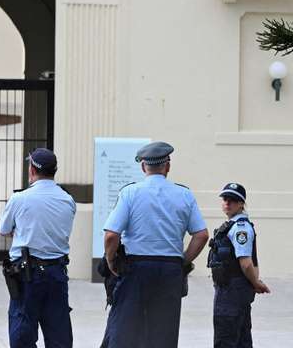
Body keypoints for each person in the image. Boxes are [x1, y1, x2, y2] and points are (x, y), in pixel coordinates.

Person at [102, 141, 209, 348]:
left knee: (125, 332)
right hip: (170, 270)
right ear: (167, 166)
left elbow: (111, 236)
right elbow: (201, 235)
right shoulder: (184, 194)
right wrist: (182, 261)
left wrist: (111, 261)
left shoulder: (130, 193)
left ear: (143, 167)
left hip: (136, 269)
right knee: (163, 335)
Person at [0, 148, 77, 348]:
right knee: (59, 335)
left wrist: (21, 232)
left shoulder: (20, 199)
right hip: (57, 272)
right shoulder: (67, 200)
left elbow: (4, 229)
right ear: (54, 170)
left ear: (32, 170)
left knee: (22, 334)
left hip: (27, 275)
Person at [207, 183, 270, 348]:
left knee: (226, 339)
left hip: (231, 291)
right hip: (233, 290)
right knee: (241, 340)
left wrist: (256, 283)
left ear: (241, 204)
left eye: (233, 200)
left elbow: (246, 263)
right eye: (225, 199)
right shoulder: (233, 226)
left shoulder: (240, 228)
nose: (227, 203)